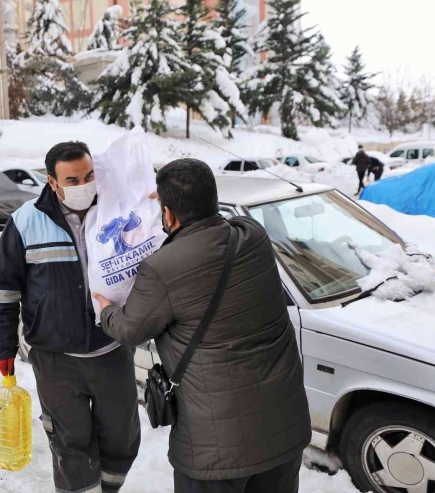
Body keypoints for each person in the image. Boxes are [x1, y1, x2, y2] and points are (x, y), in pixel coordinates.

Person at [93, 158, 311, 493]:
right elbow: (222, 224)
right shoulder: (253, 237)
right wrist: (175, 204)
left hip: (216, 448)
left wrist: (106, 308)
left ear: (168, 215)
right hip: (283, 429)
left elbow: (128, 330)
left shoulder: (162, 268)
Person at [0, 141, 140, 493]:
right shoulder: (26, 221)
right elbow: (4, 292)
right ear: (52, 182)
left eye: (88, 176)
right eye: (72, 180)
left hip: (111, 351)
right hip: (56, 360)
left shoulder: (116, 211)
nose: (83, 185)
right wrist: (2, 347)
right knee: (71, 444)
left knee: (121, 438)